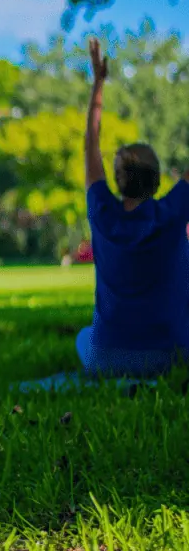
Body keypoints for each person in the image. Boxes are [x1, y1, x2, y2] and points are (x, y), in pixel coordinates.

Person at [77, 38, 189, 377]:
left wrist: (99, 82)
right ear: (156, 181)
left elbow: (90, 144)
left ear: (117, 179)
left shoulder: (102, 212)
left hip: (105, 360)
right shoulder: (172, 213)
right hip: (170, 359)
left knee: (85, 337)